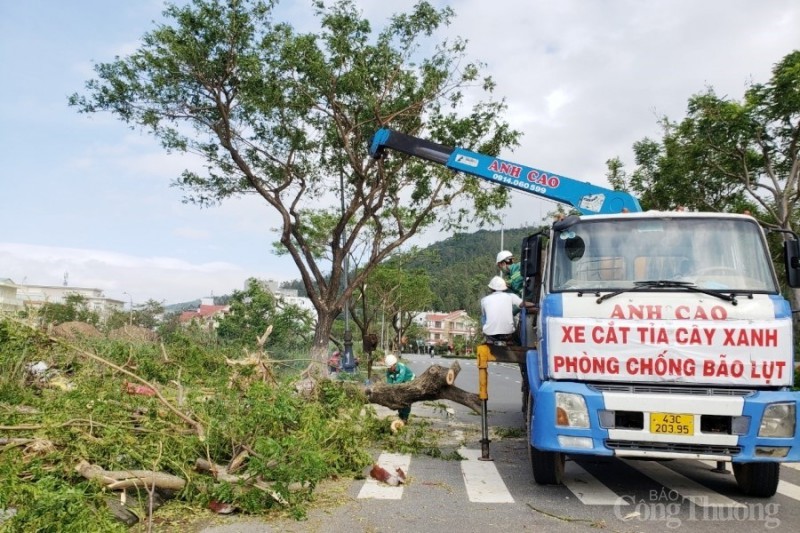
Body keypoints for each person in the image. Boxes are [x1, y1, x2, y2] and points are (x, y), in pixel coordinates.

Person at [480, 276, 523, 343]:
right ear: (504, 288)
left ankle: (488, 339)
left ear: (491, 288)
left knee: (483, 316)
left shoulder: (484, 300)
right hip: (508, 333)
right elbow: (522, 304)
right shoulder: (511, 296)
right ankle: (513, 341)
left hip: (491, 335)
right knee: (512, 315)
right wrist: (535, 305)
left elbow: (484, 316)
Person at [385, 354, 415, 422]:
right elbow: (389, 382)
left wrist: (393, 387)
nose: (389, 369)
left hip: (410, 381)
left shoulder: (402, 367)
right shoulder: (388, 371)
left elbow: (400, 380)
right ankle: (400, 415)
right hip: (400, 384)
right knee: (397, 398)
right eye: (388, 367)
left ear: (394, 364)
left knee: (406, 399)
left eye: (390, 367)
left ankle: (405, 417)